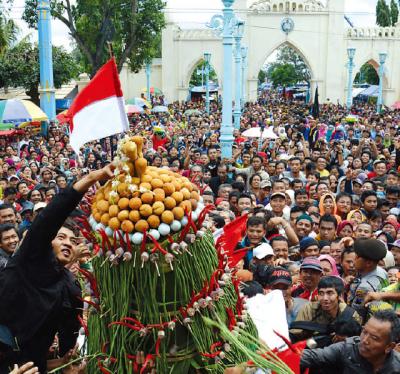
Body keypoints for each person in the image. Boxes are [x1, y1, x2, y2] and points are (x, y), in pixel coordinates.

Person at [0, 163, 115, 373]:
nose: (67, 243)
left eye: (72, 241)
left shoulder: (69, 287)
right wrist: (90, 179)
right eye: (60, 237)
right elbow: (50, 217)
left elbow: (69, 330)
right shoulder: (28, 260)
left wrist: (64, 364)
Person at [300, 310, 400, 373]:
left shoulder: (397, 366)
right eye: (364, 332)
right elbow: (312, 356)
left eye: (374, 338)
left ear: (389, 347)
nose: (365, 340)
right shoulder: (347, 348)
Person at [290, 276, 361, 343]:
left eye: (330, 293)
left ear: (339, 296)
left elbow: (357, 342)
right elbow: (295, 334)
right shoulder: (309, 309)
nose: (325, 298)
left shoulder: (350, 315)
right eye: (321, 293)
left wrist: (346, 339)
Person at [348, 238, 389, 321]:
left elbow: (356, 315)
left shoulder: (364, 287)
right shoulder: (382, 271)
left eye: (357, 256)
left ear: (368, 263)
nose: (354, 258)